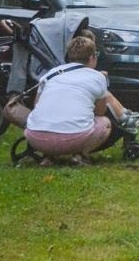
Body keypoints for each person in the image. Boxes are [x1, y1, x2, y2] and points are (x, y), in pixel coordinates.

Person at [22, 34, 128, 165]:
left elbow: (36, 104)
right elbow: (99, 112)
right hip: (73, 138)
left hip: (36, 137)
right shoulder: (98, 77)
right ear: (92, 57)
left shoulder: (52, 73)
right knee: (104, 122)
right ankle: (79, 155)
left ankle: (48, 156)